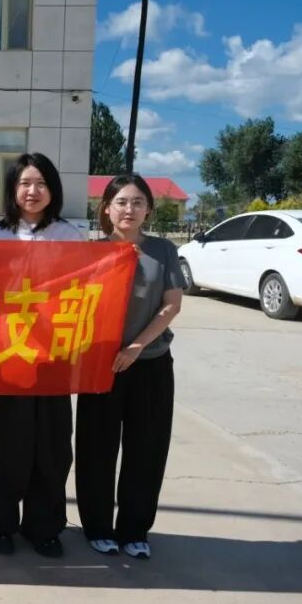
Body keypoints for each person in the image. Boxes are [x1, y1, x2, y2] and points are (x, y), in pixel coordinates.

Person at [0, 153, 84, 558]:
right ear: (12, 190)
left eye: (41, 183)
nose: (32, 191)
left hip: (54, 356)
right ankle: (0, 525)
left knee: (52, 445)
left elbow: (85, 292)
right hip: (7, 355)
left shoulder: (69, 236)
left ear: (52, 189)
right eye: (24, 183)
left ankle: (44, 528)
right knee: (5, 442)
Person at [75, 173, 184, 560]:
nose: (129, 209)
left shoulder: (163, 251)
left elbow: (171, 304)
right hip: (100, 366)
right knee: (96, 449)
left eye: (138, 202)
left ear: (148, 210)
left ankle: (135, 531)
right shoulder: (91, 252)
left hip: (150, 364)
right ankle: (97, 528)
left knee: (146, 449)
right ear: (106, 208)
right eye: (121, 202)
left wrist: (138, 346)